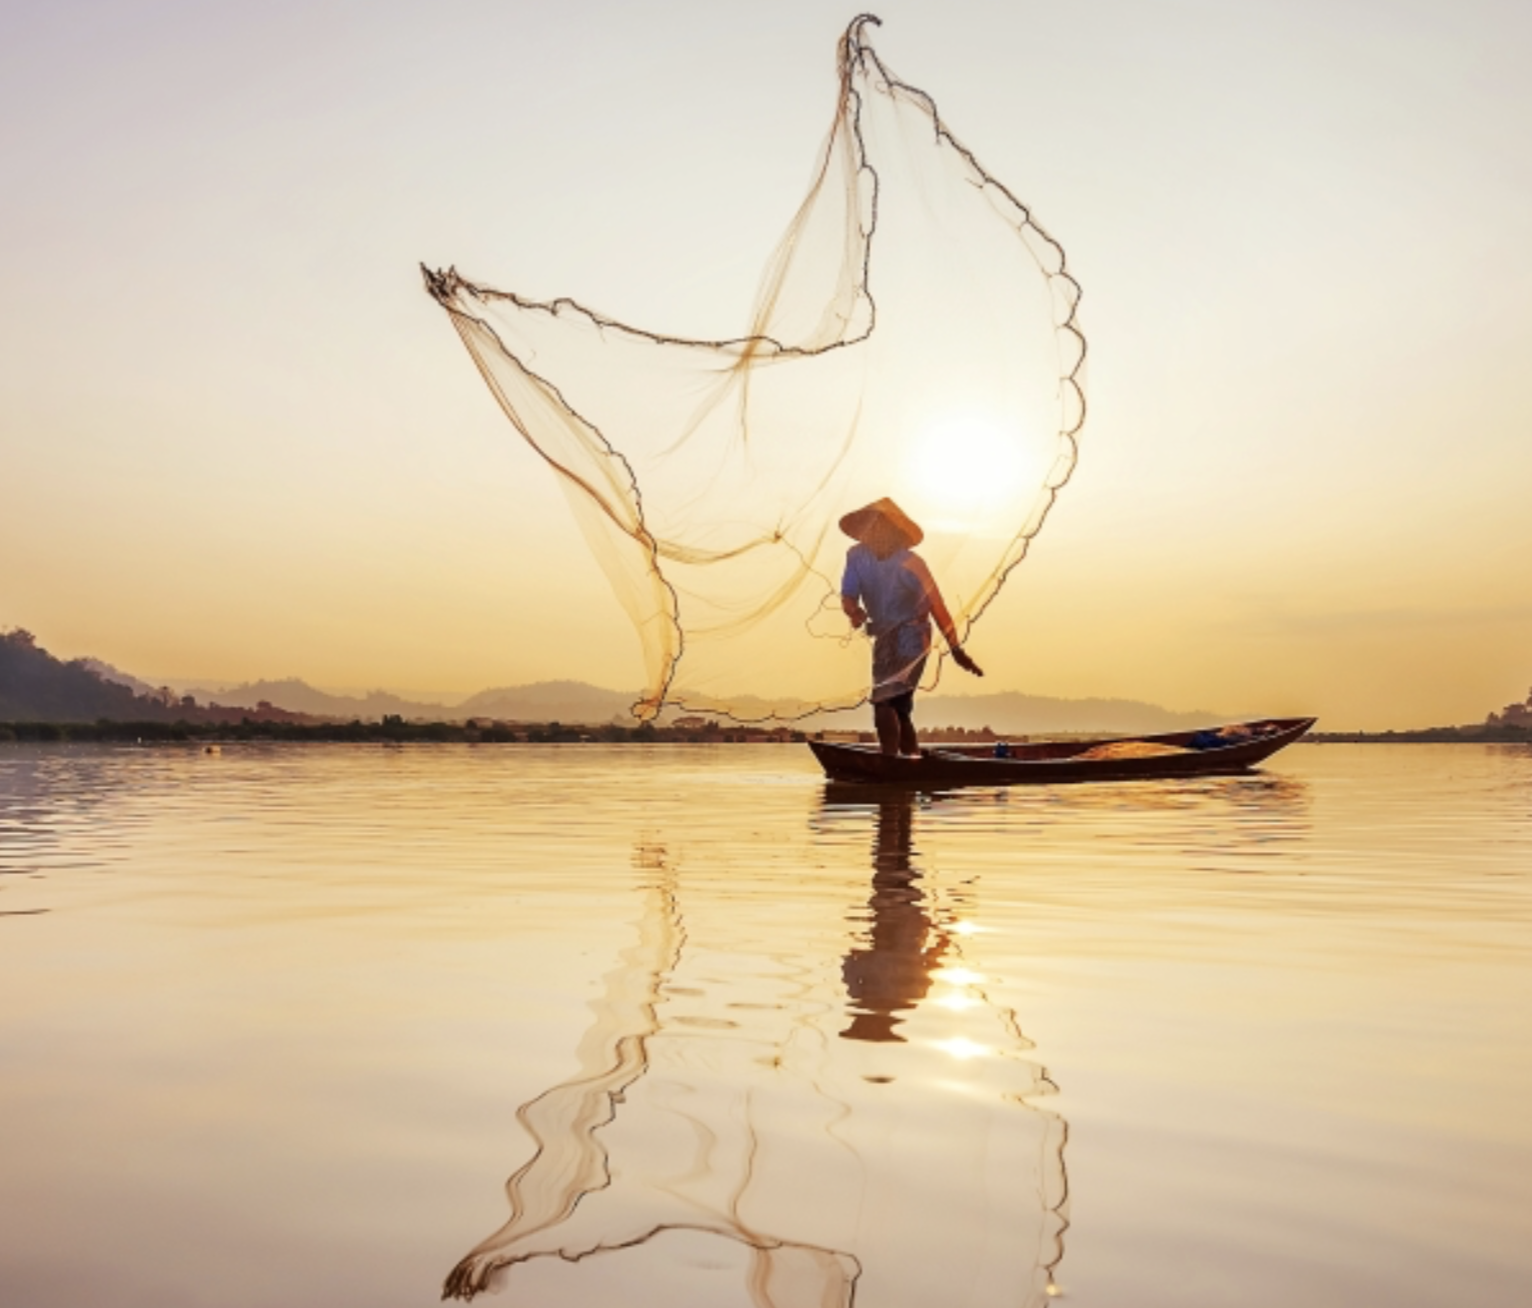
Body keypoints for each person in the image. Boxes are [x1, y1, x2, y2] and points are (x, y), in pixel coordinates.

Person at [839, 497, 983, 757]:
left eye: (882, 526)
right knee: (898, 707)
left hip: (913, 639)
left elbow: (937, 606)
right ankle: (907, 764)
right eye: (871, 526)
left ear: (896, 531)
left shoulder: (912, 563)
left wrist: (956, 649)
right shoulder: (856, 556)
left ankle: (890, 762)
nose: (875, 532)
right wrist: (854, 611)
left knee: (886, 701)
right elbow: (848, 594)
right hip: (883, 637)